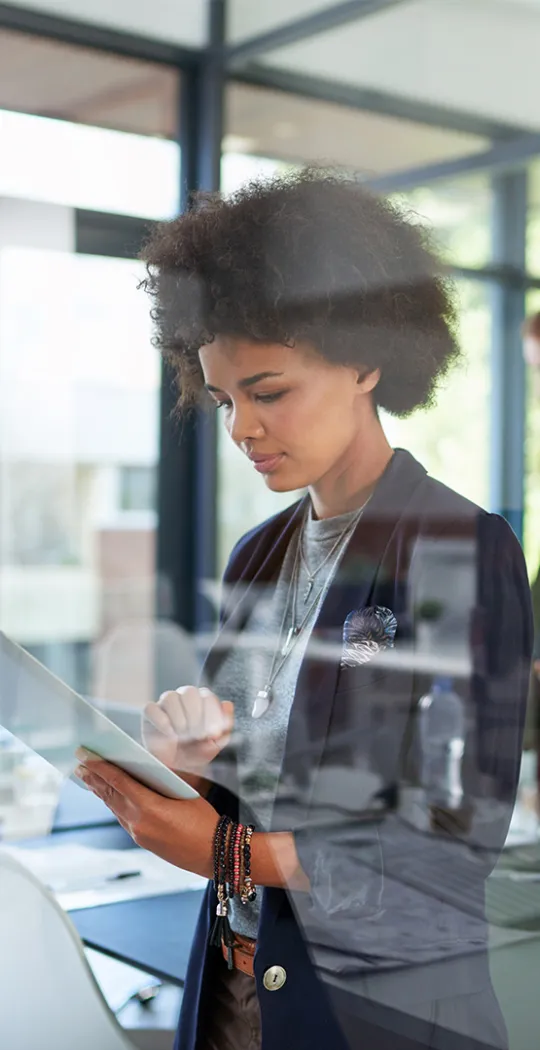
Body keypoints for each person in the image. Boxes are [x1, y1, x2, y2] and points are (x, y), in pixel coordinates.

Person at [74, 171, 533, 1050]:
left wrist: (226, 852)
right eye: (224, 400)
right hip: (237, 996)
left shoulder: (455, 549)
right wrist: (186, 769)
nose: (241, 428)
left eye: (268, 391)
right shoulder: (258, 555)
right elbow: (250, 787)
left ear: (366, 359)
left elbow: (442, 854)